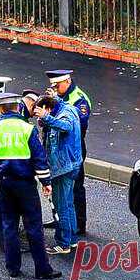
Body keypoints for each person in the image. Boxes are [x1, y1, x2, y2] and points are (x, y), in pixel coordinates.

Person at [0, 93, 61, 279]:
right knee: (33, 227)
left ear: (0, 109)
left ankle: (13, 268)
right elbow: (39, 159)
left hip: (4, 185)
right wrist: (46, 182)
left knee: (9, 226)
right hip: (25, 185)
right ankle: (42, 269)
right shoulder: (27, 129)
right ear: (17, 108)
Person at [0, 89, 40, 247]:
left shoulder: (8, 115)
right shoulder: (12, 121)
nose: (35, 114)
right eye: (35, 109)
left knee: (5, 215)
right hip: (14, 175)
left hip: (3, 175)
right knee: (9, 215)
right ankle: (0, 241)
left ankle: (4, 247)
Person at [34, 94, 83, 255]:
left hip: (64, 168)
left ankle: (63, 244)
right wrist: (45, 120)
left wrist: (46, 118)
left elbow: (66, 126)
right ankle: (72, 239)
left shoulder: (64, 114)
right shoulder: (64, 108)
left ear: (47, 108)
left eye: (40, 113)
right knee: (68, 204)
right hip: (70, 165)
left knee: (61, 205)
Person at [45, 69, 91, 236]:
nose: (54, 89)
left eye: (57, 86)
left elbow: (78, 120)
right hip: (57, 145)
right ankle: (60, 219)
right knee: (57, 184)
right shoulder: (60, 96)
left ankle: (79, 222)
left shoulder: (79, 98)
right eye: (53, 87)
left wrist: (57, 104)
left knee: (75, 186)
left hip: (73, 146)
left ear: (67, 81)